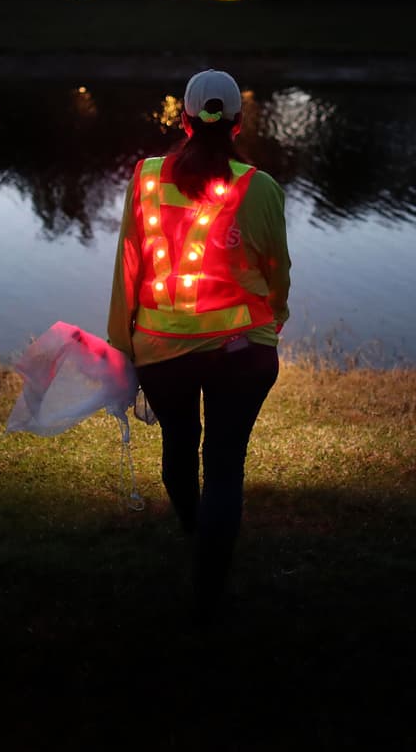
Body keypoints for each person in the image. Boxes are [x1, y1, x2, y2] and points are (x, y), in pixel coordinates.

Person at [107, 69, 291, 624]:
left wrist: (123, 347)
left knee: (180, 447)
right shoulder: (260, 188)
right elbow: (275, 269)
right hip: (243, 351)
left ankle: (193, 529)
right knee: (225, 465)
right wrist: (274, 318)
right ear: (237, 124)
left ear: (183, 120)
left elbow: (128, 266)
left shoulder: (144, 179)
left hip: (162, 353)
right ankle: (210, 588)